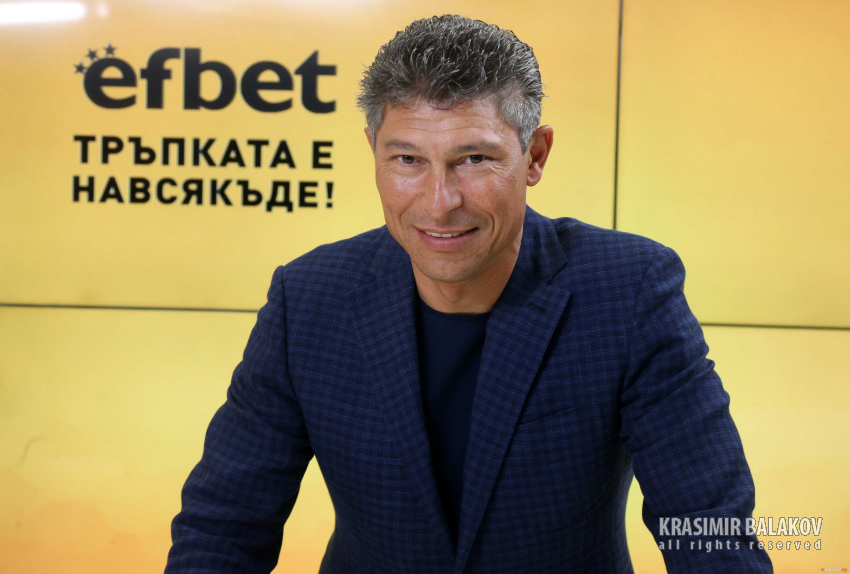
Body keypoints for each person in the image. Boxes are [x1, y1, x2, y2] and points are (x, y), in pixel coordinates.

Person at [165, 15, 772, 573]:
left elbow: (710, 529)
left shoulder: (630, 292)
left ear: (535, 156)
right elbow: (223, 529)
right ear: (373, 152)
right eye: (408, 159)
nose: (439, 203)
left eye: (474, 159)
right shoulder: (307, 298)